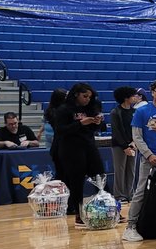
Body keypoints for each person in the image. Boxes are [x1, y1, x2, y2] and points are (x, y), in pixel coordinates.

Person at [51, 83, 106, 225]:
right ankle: (79, 213)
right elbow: (61, 130)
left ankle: (107, 208)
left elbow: (98, 128)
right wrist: (81, 124)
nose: (87, 99)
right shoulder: (64, 109)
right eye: (85, 96)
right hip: (71, 149)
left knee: (100, 176)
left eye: (89, 97)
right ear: (76, 94)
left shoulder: (91, 108)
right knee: (76, 182)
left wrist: (98, 122)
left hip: (89, 145)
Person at [124, 81, 156, 242]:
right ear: (152, 92)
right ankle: (131, 226)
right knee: (141, 191)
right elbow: (137, 137)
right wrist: (149, 154)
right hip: (148, 159)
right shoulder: (142, 111)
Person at [108, 87, 141, 202]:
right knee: (120, 170)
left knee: (131, 169)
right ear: (126, 98)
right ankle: (119, 195)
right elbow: (116, 131)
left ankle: (130, 193)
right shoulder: (115, 112)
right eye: (133, 95)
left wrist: (134, 142)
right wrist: (124, 146)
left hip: (133, 144)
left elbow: (137, 129)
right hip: (119, 146)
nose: (136, 97)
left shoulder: (135, 112)